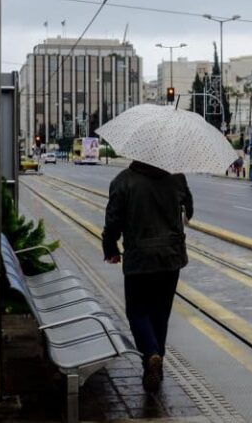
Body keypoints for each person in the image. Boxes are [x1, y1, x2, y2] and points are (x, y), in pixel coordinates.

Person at [102, 160, 194, 392]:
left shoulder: (123, 181)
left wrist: (110, 249)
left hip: (139, 259)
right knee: (160, 314)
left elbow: (113, 222)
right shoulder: (177, 177)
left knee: (137, 312)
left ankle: (151, 354)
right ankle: (156, 365)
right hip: (170, 258)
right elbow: (189, 209)